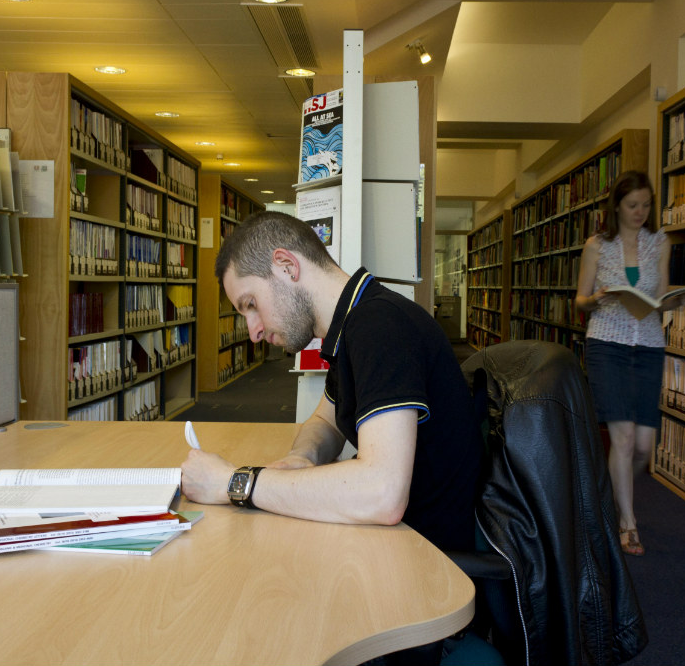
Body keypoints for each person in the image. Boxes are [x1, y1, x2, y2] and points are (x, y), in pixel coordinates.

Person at [181, 211, 483, 556]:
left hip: (425, 558)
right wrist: (302, 457)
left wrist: (235, 483)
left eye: (251, 304)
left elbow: (381, 492)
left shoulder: (380, 327)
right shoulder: (354, 323)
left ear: (286, 266)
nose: (254, 332)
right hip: (396, 541)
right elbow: (326, 421)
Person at [574, 170, 685, 557]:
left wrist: (675, 301)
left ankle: (614, 491)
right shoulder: (597, 245)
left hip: (649, 344)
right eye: (632, 205)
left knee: (644, 445)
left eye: (646, 205)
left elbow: (660, 294)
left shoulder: (660, 242)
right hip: (607, 342)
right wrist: (600, 298)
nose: (640, 211)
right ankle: (628, 524)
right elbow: (581, 300)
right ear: (617, 207)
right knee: (623, 438)